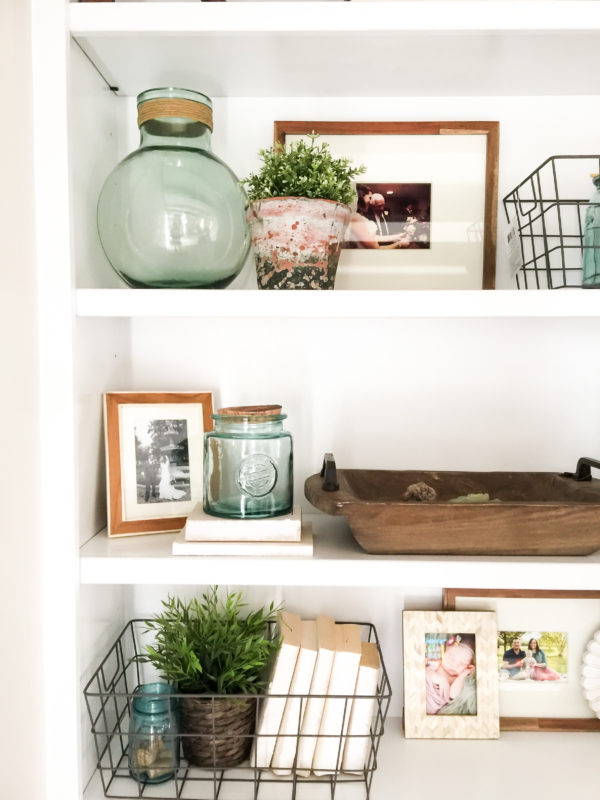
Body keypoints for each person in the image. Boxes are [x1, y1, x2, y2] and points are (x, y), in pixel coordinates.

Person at [425, 634, 475, 715]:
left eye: (462, 664)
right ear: (444, 652)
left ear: (468, 666)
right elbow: (424, 673)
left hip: (431, 711)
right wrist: (439, 678)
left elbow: (453, 695)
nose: (454, 665)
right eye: (451, 658)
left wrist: (464, 673)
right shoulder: (438, 664)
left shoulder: (457, 678)